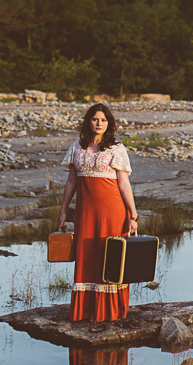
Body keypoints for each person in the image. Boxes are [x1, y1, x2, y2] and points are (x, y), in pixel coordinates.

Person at [58, 103, 139, 323]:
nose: (99, 123)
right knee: (87, 255)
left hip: (112, 212)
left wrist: (132, 216)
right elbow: (71, 182)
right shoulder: (76, 148)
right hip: (85, 213)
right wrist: (63, 211)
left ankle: (110, 311)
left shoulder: (117, 149)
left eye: (103, 120)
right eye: (95, 119)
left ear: (109, 124)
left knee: (110, 256)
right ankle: (86, 311)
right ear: (88, 122)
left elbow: (124, 185)